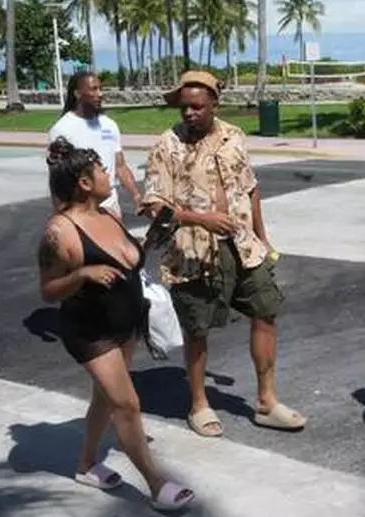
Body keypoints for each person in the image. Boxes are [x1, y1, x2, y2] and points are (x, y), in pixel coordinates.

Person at [139, 70, 305, 438]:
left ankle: (267, 401)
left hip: (244, 247)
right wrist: (202, 219)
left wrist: (262, 238)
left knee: (265, 312)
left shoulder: (234, 136)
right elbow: (154, 206)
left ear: (215, 104)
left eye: (197, 107)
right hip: (192, 252)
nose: (189, 113)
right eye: (184, 107)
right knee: (197, 329)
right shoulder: (167, 145)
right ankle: (199, 404)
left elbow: (250, 188)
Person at [36, 138, 194, 512]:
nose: (110, 175)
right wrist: (82, 274)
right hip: (91, 333)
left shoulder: (107, 215)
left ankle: (86, 465)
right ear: (84, 183)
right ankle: (157, 485)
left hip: (124, 323)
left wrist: (155, 235)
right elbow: (47, 291)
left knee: (104, 399)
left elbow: (129, 261)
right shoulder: (59, 232)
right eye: (102, 171)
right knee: (126, 404)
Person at [48, 72, 142, 218]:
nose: (100, 94)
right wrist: (61, 215)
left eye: (100, 89)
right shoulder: (62, 129)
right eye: (93, 89)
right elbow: (57, 179)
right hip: (81, 211)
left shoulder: (109, 125)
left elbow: (120, 166)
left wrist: (136, 195)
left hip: (111, 207)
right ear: (77, 94)